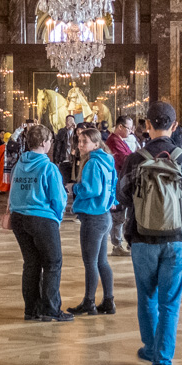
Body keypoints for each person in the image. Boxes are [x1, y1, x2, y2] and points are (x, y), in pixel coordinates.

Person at [117, 101, 182, 365]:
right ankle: (163, 362)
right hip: (177, 238)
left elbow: (123, 196)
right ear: (174, 126)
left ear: (147, 125)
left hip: (141, 237)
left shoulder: (135, 158)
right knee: (170, 302)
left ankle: (151, 347)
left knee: (147, 296)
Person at [9, 124, 71, 322]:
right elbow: (58, 198)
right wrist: (57, 217)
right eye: (50, 141)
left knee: (31, 264)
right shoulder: (48, 167)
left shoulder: (20, 163)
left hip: (19, 217)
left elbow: (13, 190)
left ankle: (31, 309)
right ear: (44, 143)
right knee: (53, 263)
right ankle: (50, 309)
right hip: (42, 218)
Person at [68, 127, 117, 316]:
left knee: (90, 262)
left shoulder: (92, 163)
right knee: (101, 261)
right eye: (79, 141)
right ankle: (108, 301)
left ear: (96, 144)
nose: (80, 145)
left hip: (93, 216)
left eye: (85, 142)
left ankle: (89, 302)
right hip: (103, 215)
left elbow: (92, 190)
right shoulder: (105, 160)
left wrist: (75, 188)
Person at [106, 116, 134, 256]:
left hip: (123, 182)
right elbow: (125, 160)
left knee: (124, 215)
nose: (130, 131)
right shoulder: (113, 141)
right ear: (120, 127)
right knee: (118, 216)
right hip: (118, 183)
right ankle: (117, 244)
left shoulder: (120, 140)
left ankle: (127, 242)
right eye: (128, 128)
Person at [52, 114, 77, 184]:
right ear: (65, 122)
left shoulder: (77, 132)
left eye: (71, 120)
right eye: (68, 120)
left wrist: (75, 129)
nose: (70, 122)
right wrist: (56, 161)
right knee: (64, 180)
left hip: (74, 160)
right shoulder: (62, 131)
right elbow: (57, 147)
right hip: (64, 159)